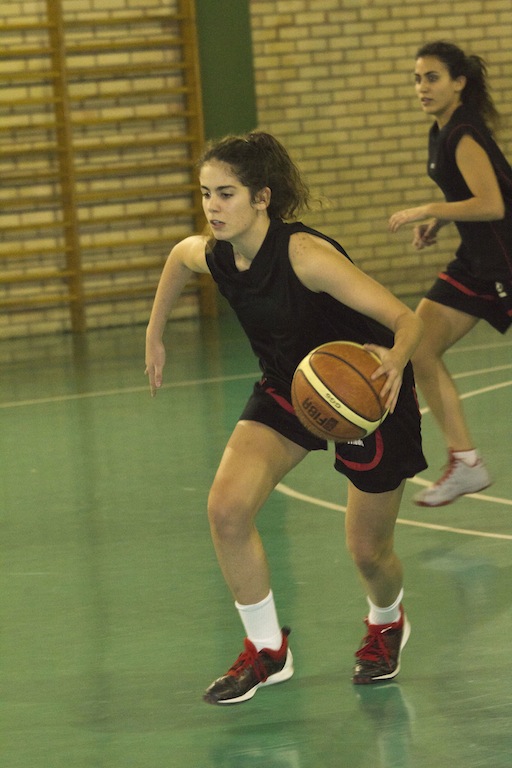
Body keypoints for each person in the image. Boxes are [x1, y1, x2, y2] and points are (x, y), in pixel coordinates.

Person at [145, 131, 426, 704]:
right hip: (288, 385)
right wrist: (155, 333)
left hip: (365, 394)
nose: (212, 207)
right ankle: (267, 650)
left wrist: (396, 360)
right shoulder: (217, 253)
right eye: (205, 193)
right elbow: (178, 257)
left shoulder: (306, 257)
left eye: (225, 194)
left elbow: (406, 319)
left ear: (261, 198)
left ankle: (387, 621)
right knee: (226, 510)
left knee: (368, 553)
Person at [389, 41, 512, 507]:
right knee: (419, 345)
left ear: (459, 82)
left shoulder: (463, 134)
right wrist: (440, 223)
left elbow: (492, 204)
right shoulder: (440, 131)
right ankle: (466, 462)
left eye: (432, 77)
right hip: (477, 262)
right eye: (417, 78)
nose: (422, 87)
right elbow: (471, 194)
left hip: (505, 262)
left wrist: (430, 209)